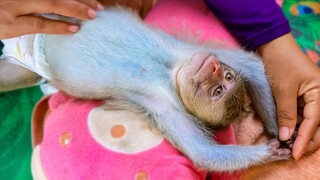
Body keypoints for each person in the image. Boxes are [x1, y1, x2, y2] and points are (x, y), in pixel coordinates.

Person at [0, 0, 319, 161]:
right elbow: (250, 65)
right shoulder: (184, 53)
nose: (214, 71)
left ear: (188, 113)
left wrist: (262, 153)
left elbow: (206, 154)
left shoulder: (162, 101)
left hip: (33, 50)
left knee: (17, 62)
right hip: (64, 15)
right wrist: (279, 127)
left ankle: (32, 76)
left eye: (216, 89)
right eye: (225, 74)